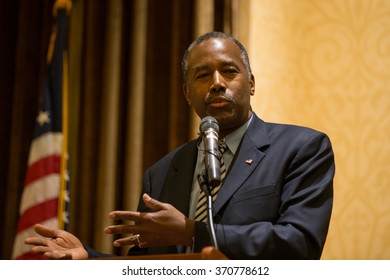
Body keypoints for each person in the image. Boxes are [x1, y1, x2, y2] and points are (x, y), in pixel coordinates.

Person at [24, 31, 335, 260]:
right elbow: (147, 266)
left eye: (229, 71)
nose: (217, 82)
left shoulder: (302, 148)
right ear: (188, 93)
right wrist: (89, 258)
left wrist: (192, 231)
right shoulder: (161, 172)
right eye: (203, 75)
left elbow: (300, 244)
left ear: (251, 83)